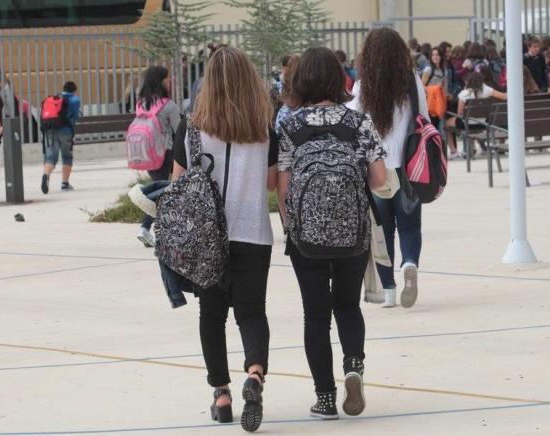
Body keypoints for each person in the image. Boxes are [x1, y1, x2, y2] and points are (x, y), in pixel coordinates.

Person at [277, 46, 386, 419]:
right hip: (352, 232)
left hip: (306, 236)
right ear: (338, 79)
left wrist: (291, 226)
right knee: (347, 305)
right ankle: (353, 366)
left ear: (301, 79)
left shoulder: (289, 126)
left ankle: (324, 398)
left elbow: (283, 186)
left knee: (315, 315)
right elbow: (381, 178)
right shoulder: (359, 122)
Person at [172, 45, 277, 432]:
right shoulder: (265, 128)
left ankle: (222, 394)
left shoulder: (191, 127)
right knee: (251, 311)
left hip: (206, 239)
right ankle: (255, 374)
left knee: (212, 315)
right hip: (253, 232)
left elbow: (177, 184)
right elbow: (269, 183)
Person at [348, 27, 429, 309]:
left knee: (381, 231)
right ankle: (410, 263)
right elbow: (425, 118)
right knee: (409, 225)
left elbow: (353, 122)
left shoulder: (362, 86)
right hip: (408, 167)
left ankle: (390, 291)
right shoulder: (412, 80)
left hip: (376, 170)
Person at [136, 66, 181, 247]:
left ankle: (161, 227)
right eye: (166, 78)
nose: (169, 81)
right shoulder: (168, 105)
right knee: (163, 193)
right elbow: (180, 130)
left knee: (163, 190)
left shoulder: (141, 103)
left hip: (146, 153)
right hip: (165, 153)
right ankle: (145, 228)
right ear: (160, 81)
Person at [40, 81, 81, 194]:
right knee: (66, 156)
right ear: (74, 90)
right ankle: (64, 183)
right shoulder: (75, 99)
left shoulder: (56, 98)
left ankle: (46, 175)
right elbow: (75, 116)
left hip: (51, 130)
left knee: (51, 158)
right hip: (66, 131)